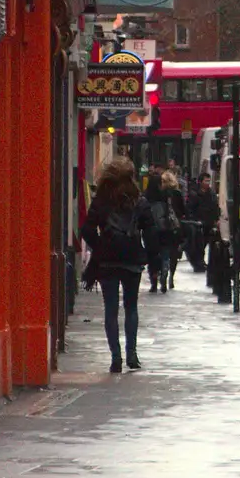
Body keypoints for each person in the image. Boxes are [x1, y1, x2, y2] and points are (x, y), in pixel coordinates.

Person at [81, 156, 152, 373]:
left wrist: (100, 246)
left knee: (110, 310)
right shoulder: (138, 200)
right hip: (131, 259)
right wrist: (147, 254)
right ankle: (132, 354)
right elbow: (150, 230)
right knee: (131, 307)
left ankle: (116, 358)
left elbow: (87, 230)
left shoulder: (101, 201)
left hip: (107, 261)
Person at [161, 169, 185, 287]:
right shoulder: (177, 193)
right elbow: (183, 210)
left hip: (163, 226)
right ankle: (171, 275)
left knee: (164, 250)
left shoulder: (160, 193)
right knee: (174, 252)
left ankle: (164, 268)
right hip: (175, 226)